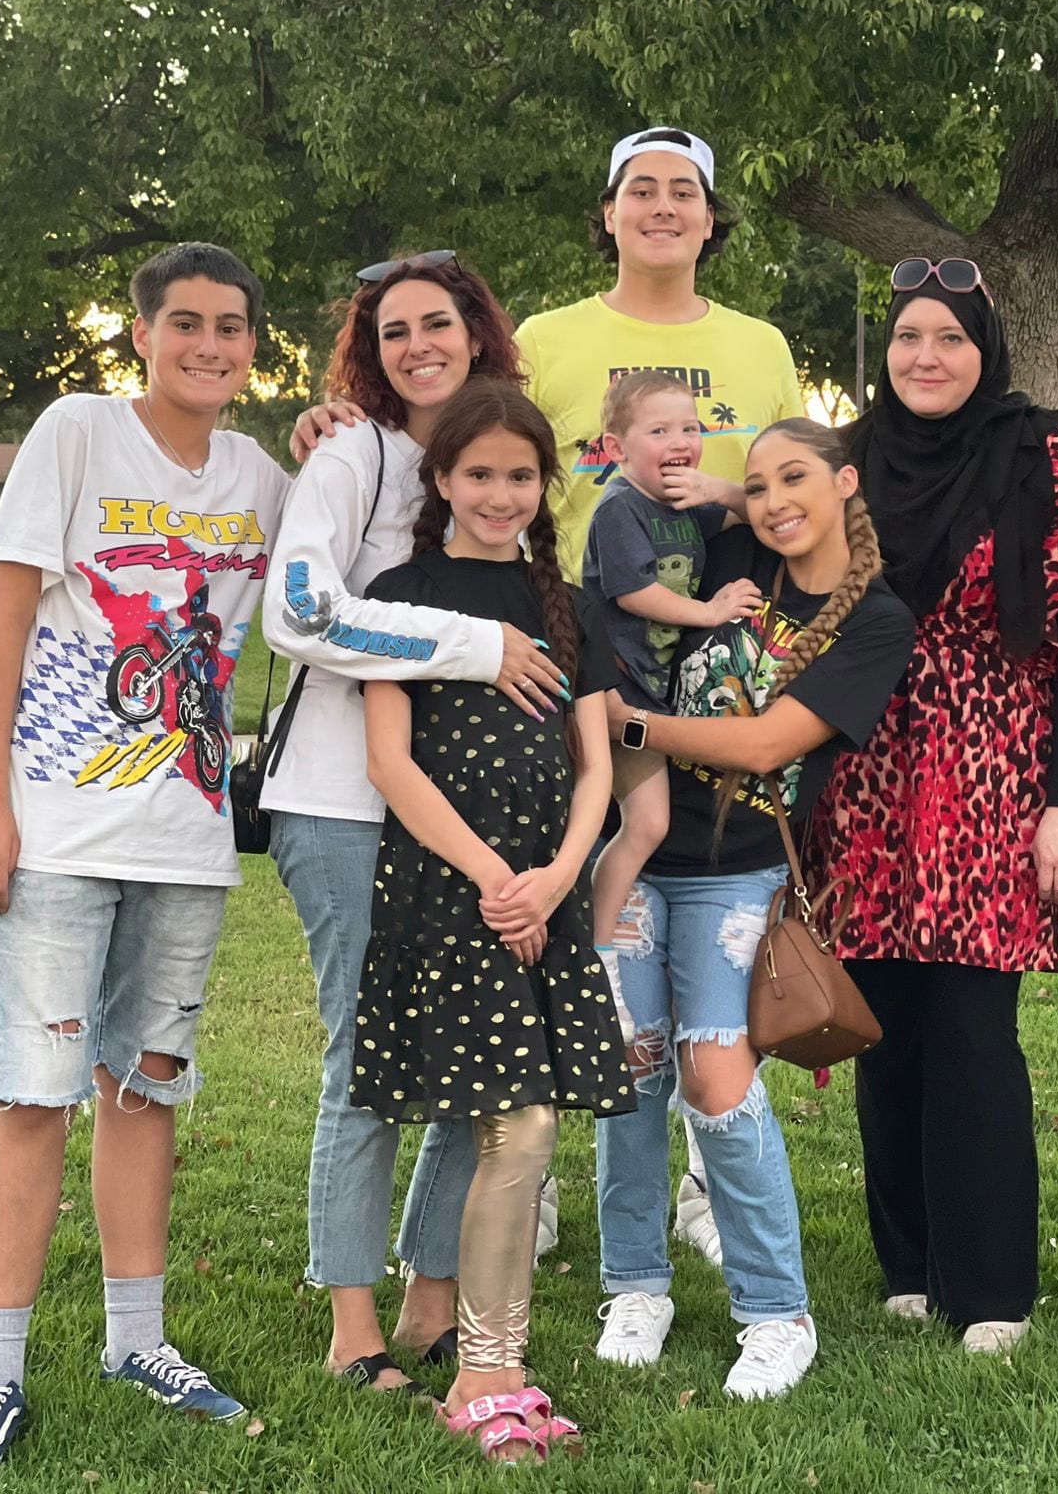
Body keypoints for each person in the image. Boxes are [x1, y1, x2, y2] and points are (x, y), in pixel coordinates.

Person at [290, 128, 807, 1264]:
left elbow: (785, 489)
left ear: (712, 218)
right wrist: (332, 414)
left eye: (684, 193)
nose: (662, 208)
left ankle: (697, 1191)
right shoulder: (547, 339)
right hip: (565, 661)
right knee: (577, 931)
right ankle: (535, 1172)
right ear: (608, 212)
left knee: (715, 931)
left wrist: (714, 491)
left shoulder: (760, 344)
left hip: (706, 677)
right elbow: (470, 436)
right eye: (639, 191)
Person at [0, 243, 290, 1472]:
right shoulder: (78, 432)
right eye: (184, 322)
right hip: (56, 831)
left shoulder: (262, 474)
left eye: (232, 327)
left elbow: (328, 570)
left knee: (145, 1090)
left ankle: (137, 1337)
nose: (209, 345)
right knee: (31, 1095)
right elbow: (4, 615)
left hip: (186, 841)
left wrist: (346, 433)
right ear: (141, 333)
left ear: (254, 343)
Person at [260, 253, 573, 1399]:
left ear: (478, 331)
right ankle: (353, 1325)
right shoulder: (352, 451)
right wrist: (472, 648)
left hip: (464, 818)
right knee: (367, 1060)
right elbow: (298, 614)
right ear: (367, 351)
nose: (416, 347)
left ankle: (433, 1297)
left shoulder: (491, 459)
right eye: (392, 332)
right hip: (344, 804)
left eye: (436, 323)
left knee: (475, 1061)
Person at [806, 261, 1058, 1353]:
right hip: (865, 773)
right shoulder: (844, 466)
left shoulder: (1049, 459)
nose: (924, 356)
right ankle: (909, 1261)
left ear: (986, 348)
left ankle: (988, 1289)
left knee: (974, 1033)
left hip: (996, 774)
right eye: (906, 338)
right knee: (881, 1023)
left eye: (947, 337)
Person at [593, 418, 914, 1397]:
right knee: (634, 1066)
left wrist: (630, 722)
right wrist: (734, 497)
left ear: (844, 482)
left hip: (735, 870)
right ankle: (634, 1285)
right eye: (761, 484)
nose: (776, 502)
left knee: (716, 1075)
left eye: (797, 480)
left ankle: (777, 1311)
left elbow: (770, 744)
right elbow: (646, 538)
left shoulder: (875, 620)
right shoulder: (732, 554)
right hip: (640, 852)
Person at [352, 379, 632, 1461]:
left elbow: (595, 765)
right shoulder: (399, 594)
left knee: (527, 1128)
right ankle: (483, 1376)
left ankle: (494, 1360)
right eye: (479, 475)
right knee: (514, 1128)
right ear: (441, 480)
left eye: (520, 476)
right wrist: (492, 881)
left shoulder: (567, 609)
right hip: (448, 893)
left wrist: (557, 876)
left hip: (543, 895)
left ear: (542, 486)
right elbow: (390, 762)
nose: (500, 494)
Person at [581, 370, 755, 962]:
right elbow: (634, 594)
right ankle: (594, 949)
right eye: (659, 430)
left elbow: (756, 514)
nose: (680, 440)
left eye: (690, 427)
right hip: (618, 690)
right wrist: (710, 612)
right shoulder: (620, 508)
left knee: (638, 820)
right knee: (645, 823)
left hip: (656, 694)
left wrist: (718, 488)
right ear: (616, 449)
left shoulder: (680, 505)